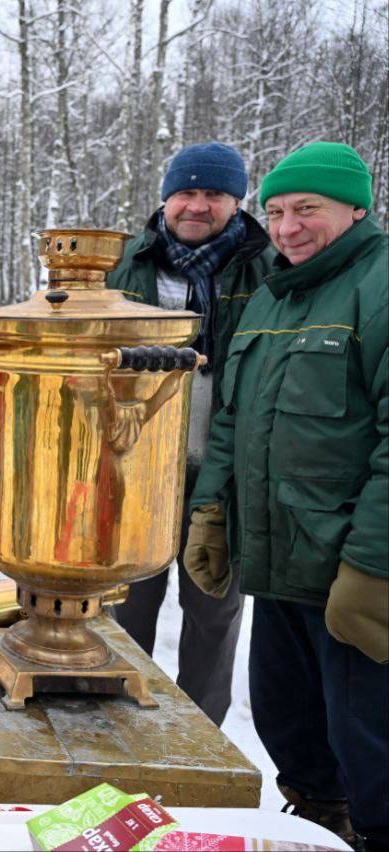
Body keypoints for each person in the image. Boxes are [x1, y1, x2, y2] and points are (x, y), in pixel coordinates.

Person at [184, 141, 387, 849]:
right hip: (280, 568)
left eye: (308, 209)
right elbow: (234, 419)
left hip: (350, 575)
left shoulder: (381, 285)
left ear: (356, 208)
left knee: (373, 745)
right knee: (291, 726)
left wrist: (372, 568)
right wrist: (212, 510)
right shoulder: (274, 291)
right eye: (274, 212)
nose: (288, 227)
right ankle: (321, 822)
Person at [106, 141, 273, 726]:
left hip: (222, 475)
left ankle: (198, 738)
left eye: (214, 194)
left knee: (214, 612)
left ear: (236, 201)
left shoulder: (268, 267)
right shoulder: (124, 264)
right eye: (186, 192)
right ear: (165, 198)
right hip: (132, 474)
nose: (197, 206)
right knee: (124, 608)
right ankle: (118, 723)